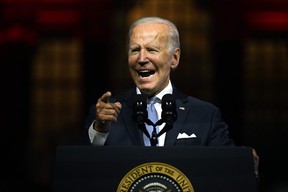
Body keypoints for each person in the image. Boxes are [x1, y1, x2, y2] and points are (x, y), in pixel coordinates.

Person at [78, 16, 259, 175]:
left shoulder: (205, 115)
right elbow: (78, 171)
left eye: (151, 49)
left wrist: (244, 163)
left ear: (175, 58)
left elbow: (229, 173)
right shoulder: (105, 115)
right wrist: (100, 131)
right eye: (134, 50)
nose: (141, 59)